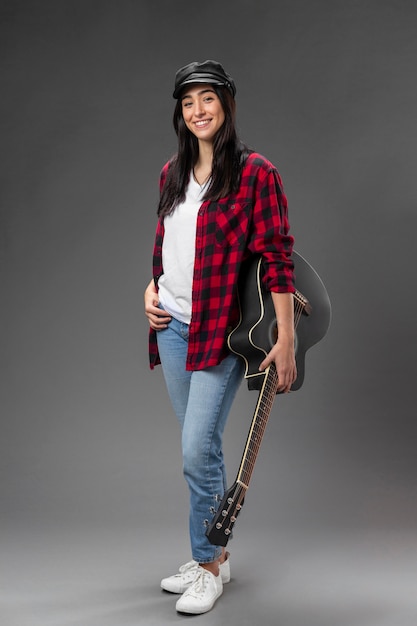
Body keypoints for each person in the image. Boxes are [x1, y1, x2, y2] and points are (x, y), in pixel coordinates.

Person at [144, 59, 297, 615]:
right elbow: (167, 244)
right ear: (180, 114)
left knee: (194, 449)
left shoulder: (257, 173)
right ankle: (215, 555)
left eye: (208, 99)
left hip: (220, 330)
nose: (198, 111)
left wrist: (285, 338)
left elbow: (277, 258)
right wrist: (150, 289)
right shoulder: (171, 173)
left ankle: (207, 566)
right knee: (200, 447)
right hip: (173, 327)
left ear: (226, 105)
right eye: (188, 102)